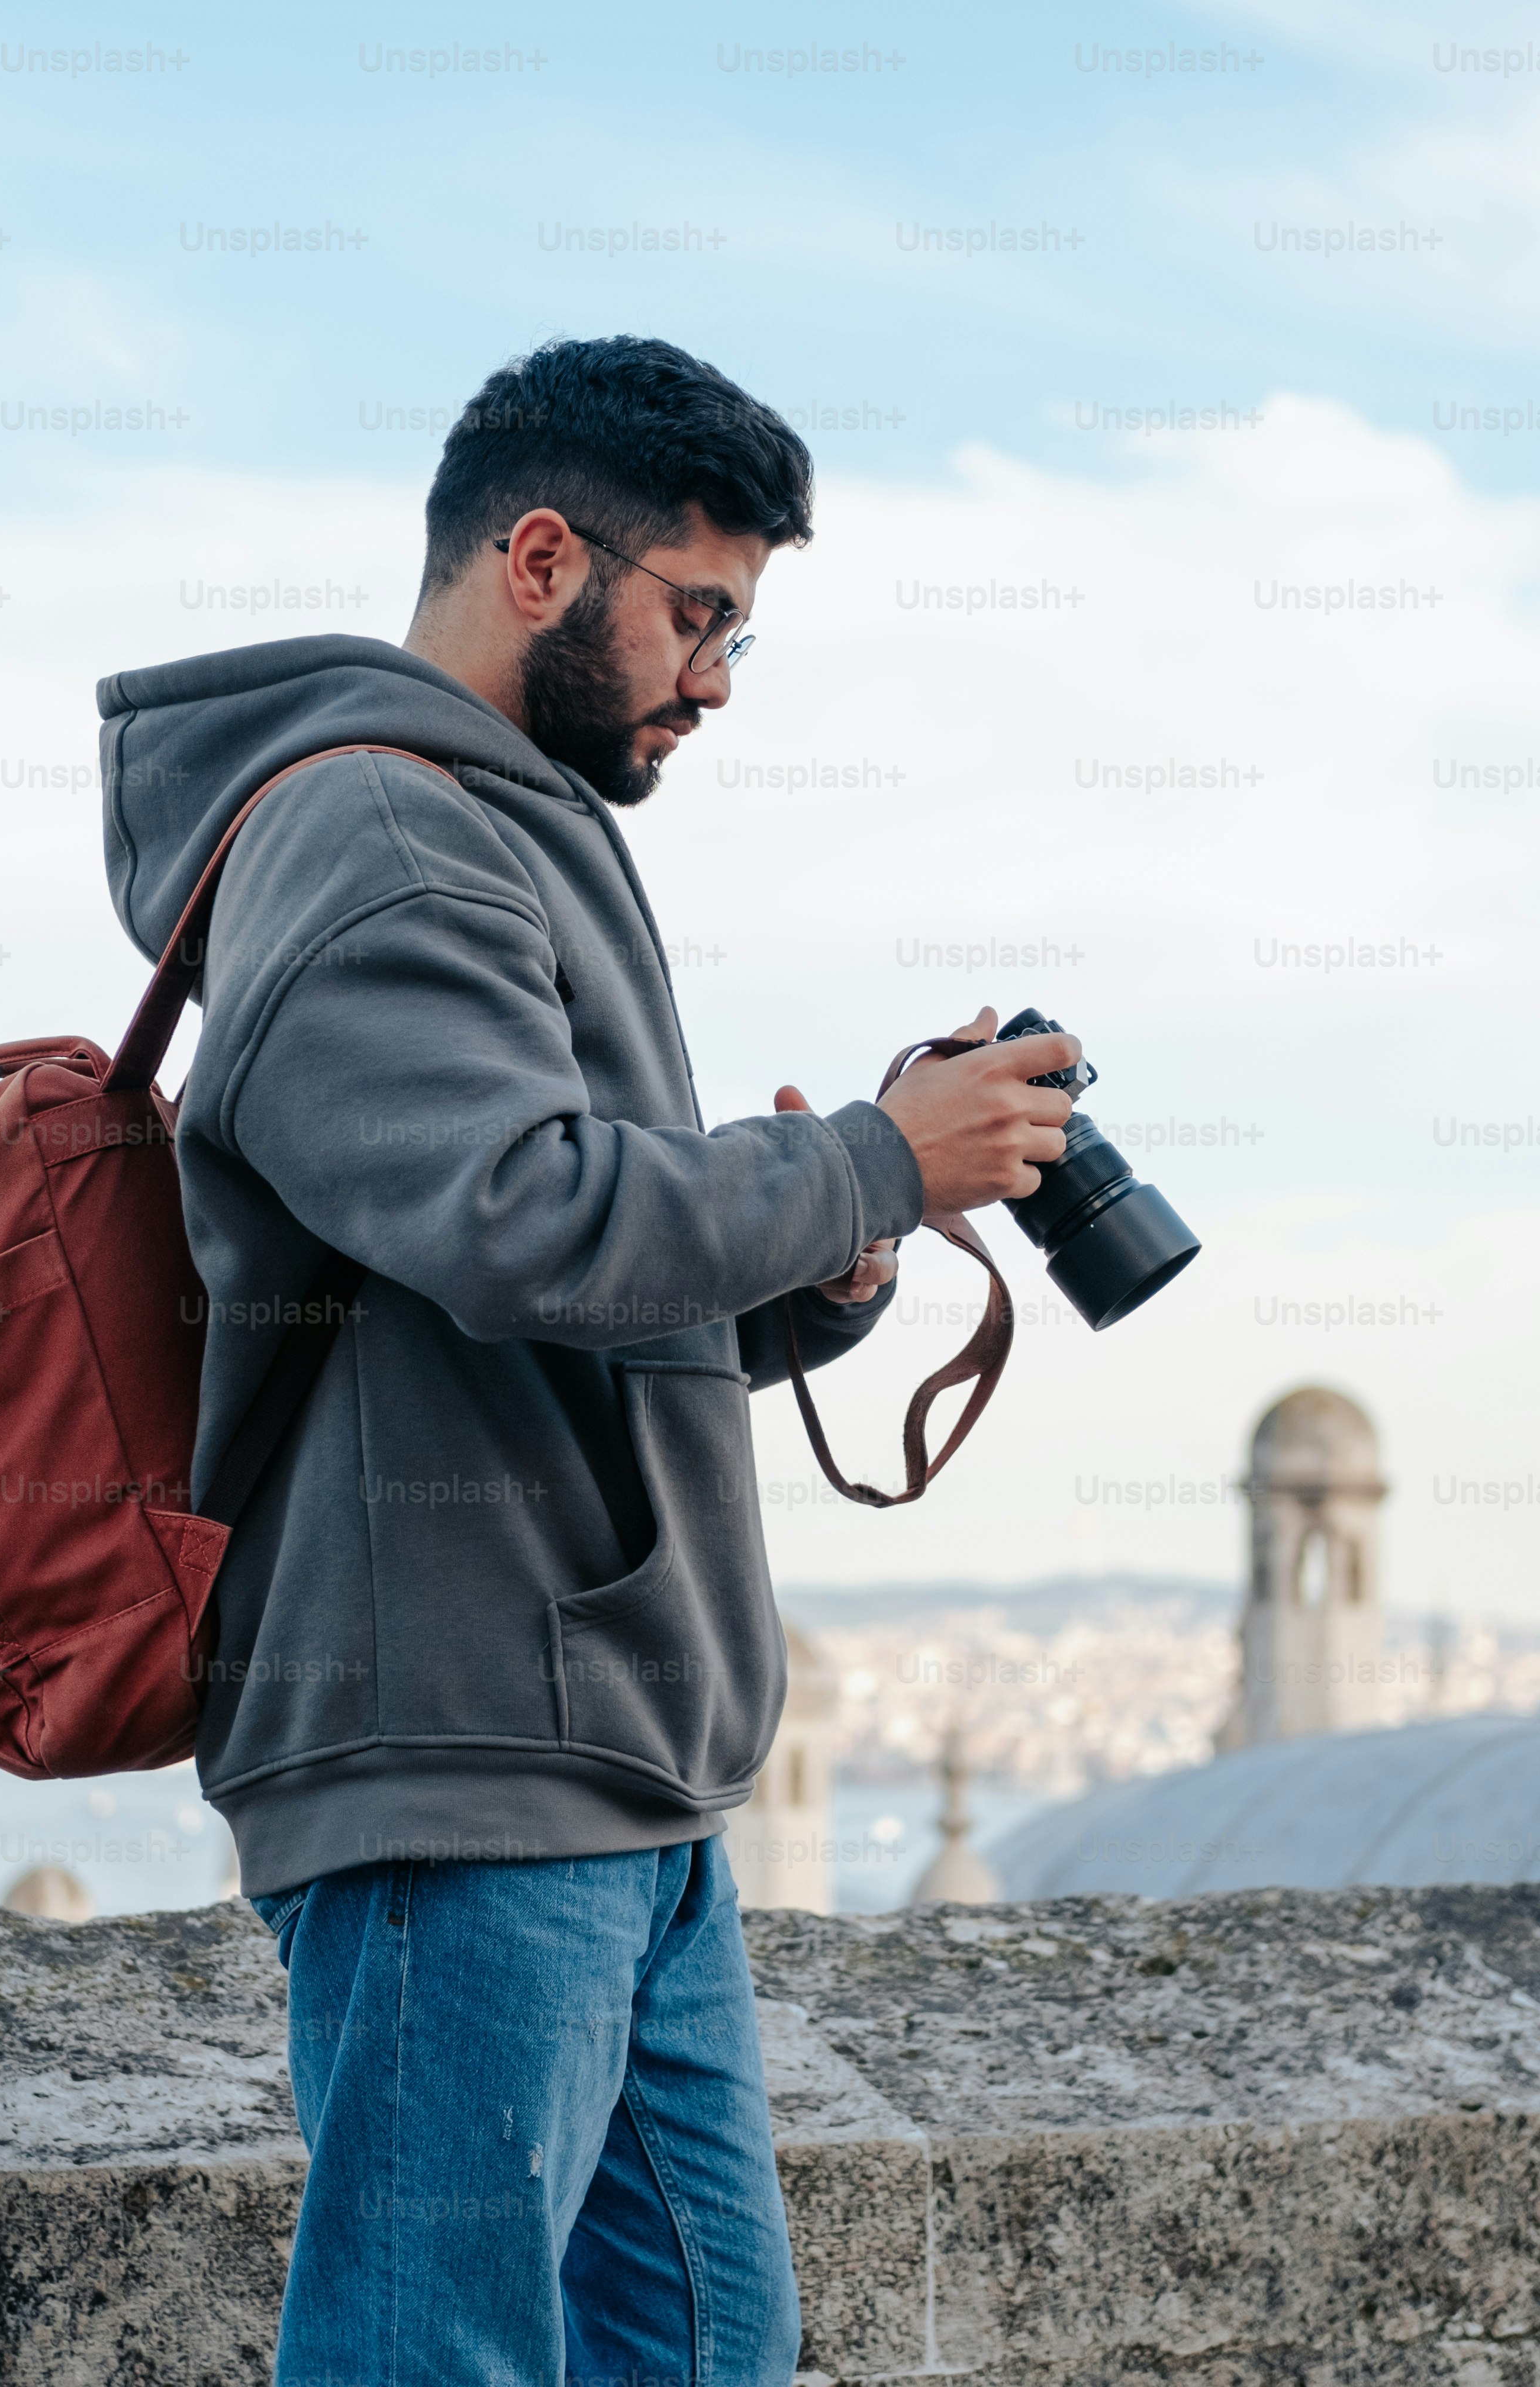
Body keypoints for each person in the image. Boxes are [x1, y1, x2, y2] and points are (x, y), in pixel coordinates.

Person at [99, 334, 1078, 2386]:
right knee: (428, 2357)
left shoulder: (496, 824)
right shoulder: (371, 827)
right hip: (460, 1759)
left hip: (618, 1766)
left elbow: (523, 1284)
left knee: (707, 2349)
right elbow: (522, 1213)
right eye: (697, 613)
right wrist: (865, 1153)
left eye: (739, 631)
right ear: (542, 557)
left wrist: (827, 1252)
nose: (714, 676)